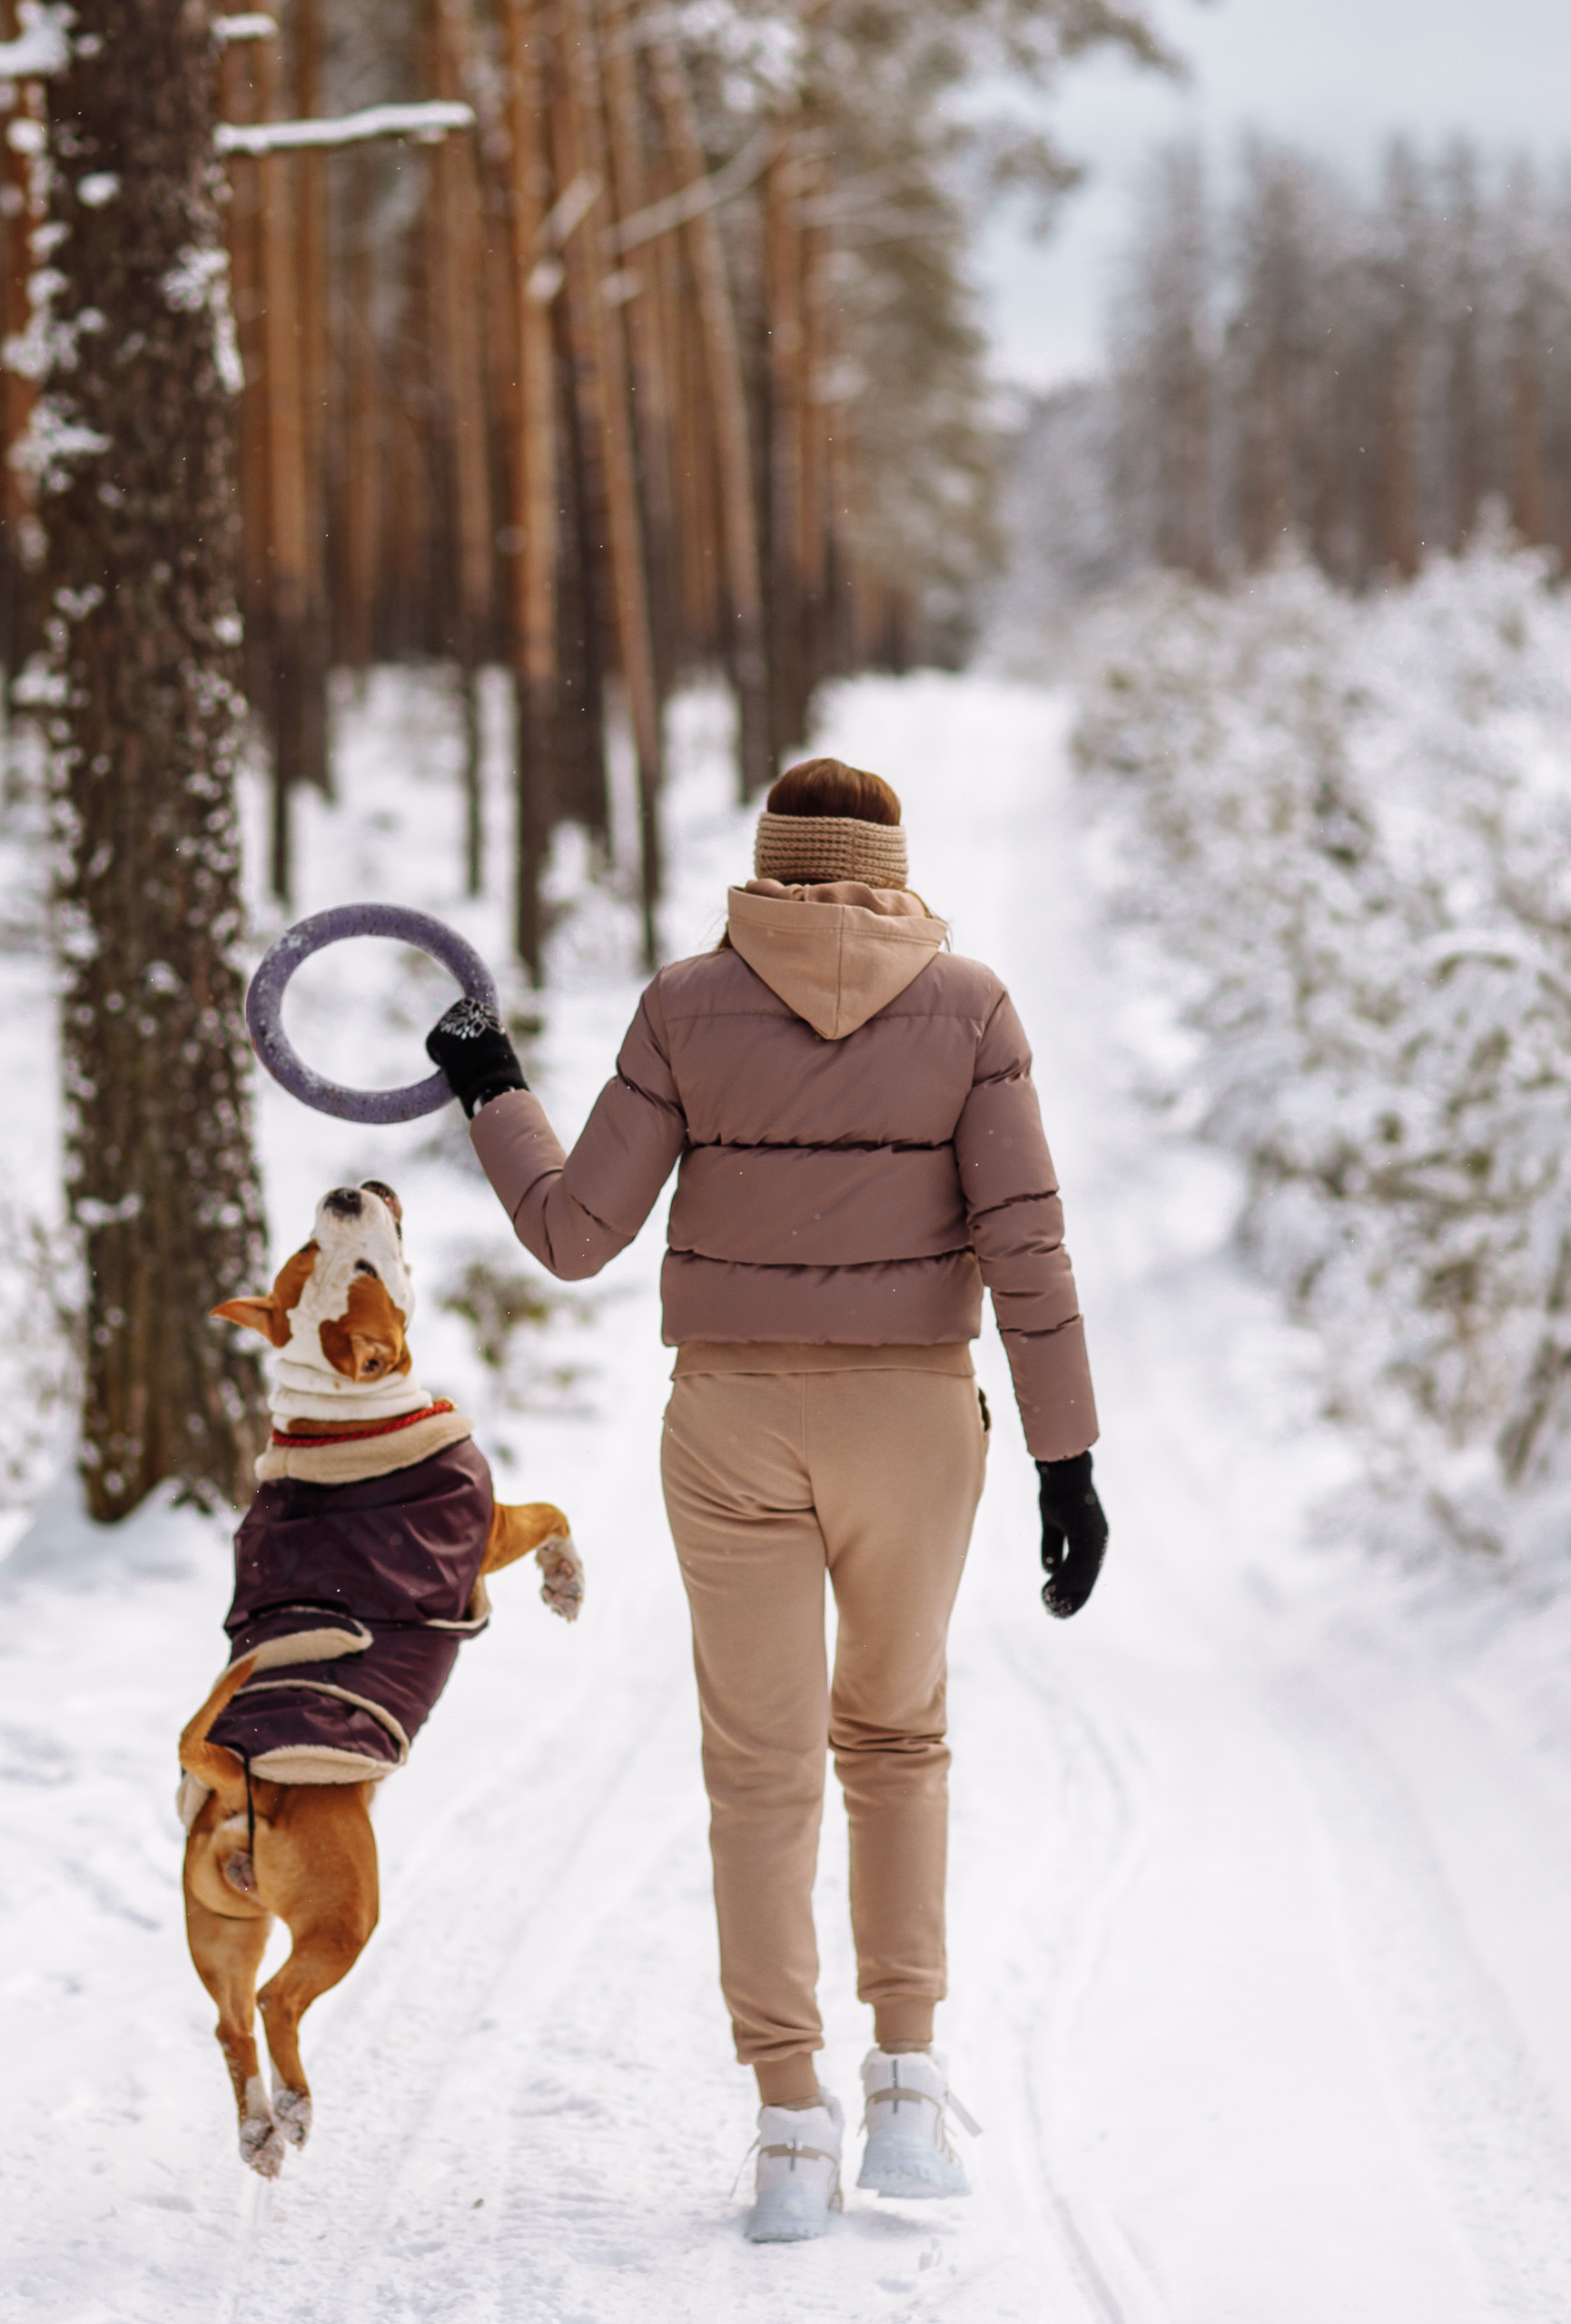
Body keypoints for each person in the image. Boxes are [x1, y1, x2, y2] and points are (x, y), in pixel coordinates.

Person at [424, 757, 1108, 2241]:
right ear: (891, 866)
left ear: (768, 862)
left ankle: (793, 2122)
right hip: (916, 1423)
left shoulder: (686, 1004)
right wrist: (1068, 1460)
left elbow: (574, 1231)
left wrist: (491, 1089)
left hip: (733, 1424)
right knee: (898, 1736)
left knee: (762, 1766)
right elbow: (1028, 1250)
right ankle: (911, 2084)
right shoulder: (973, 1006)